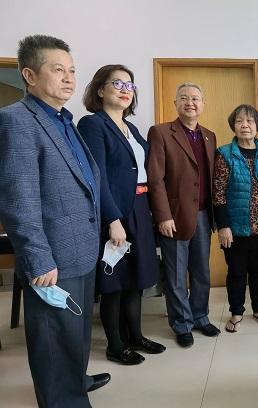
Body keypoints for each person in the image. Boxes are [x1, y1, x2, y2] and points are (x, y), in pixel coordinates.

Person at [0, 34, 109, 407]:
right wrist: (37, 257)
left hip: (81, 247)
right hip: (52, 255)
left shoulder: (64, 120)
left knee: (74, 330)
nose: (68, 78)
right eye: (58, 69)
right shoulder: (17, 121)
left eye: (72, 70)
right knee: (53, 336)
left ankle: (75, 380)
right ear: (30, 75)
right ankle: (63, 398)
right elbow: (19, 199)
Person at [78, 64, 165, 365]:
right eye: (117, 84)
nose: (125, 90)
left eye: (130, 85)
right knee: (114, 283)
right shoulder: (93, 125)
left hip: (139, 208)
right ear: (100, 90)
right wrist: (112, 220)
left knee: (137, 278)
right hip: (115, 212)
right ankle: (115, 345)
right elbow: (97, 177)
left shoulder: (132, 128)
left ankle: (135, 336)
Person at [147, 82, 219, 347]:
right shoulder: (160, 132)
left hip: (204, 214)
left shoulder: (209, 136)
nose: (190, 103)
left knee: (201, 271)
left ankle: (200, 316)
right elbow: (155, 179)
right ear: (175, 103)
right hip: (174, 215)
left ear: (202, 104)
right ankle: (181, 323)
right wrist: (163, 216)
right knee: (176, 274)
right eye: (184, 98)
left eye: (195, 98)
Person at [213, 105, 258, 333]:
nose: (245, 125)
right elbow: (218, 192)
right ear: (233, 126)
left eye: (250, 121)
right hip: (235, 227)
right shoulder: (224, 154)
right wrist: (223, 225)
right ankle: (236, 312)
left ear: (257, 126)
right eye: (240, 121)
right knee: (236, 272)